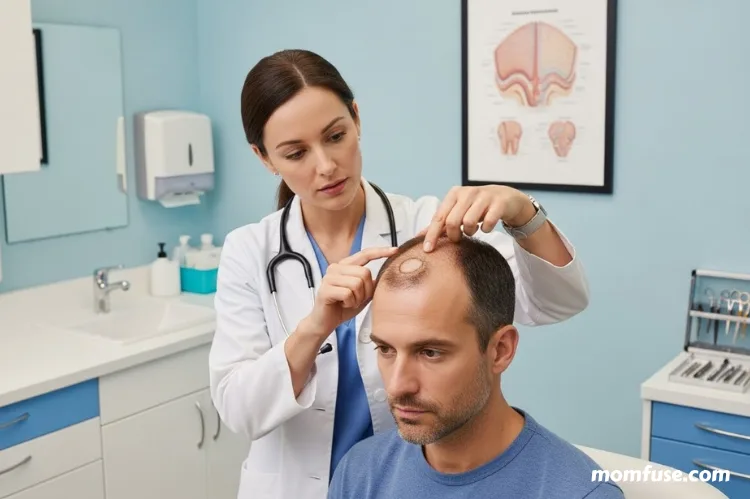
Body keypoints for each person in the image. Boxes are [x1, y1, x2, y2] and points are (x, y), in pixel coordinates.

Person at [208, 48, 591, 499]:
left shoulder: (428, 229)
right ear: (264, 157)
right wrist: (314, 328)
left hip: (397, 483)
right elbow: (239, 410)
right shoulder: (250, 251)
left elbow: (557, 302)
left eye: (335, 136)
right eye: (296, 153)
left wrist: (523, 212)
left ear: (356, 119)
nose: (326, 166)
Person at [328, 234, 623, 499]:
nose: (397, 385)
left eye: (430, 352)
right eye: (385, 349)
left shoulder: (582, 494)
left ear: (500, 350)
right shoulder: (360, 471)